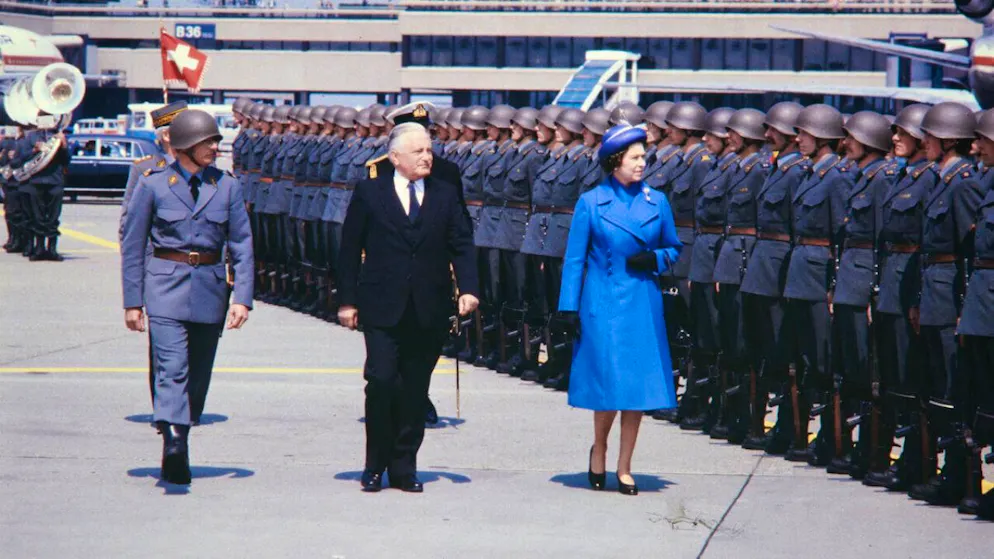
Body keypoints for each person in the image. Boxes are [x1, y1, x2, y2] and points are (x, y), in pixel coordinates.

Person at [337, 123, 479, 493]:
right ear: (395, 157)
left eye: (429, 150)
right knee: (382, 381)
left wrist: (468, 289)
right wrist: (347, 301)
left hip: (428, 307)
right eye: (418, 151)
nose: (427, 157)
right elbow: (350, 248)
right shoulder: (370, 192)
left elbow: (462, 243)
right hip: (382, 306)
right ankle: (374, 464)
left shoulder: (445, 194)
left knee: (415, 389)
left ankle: (403, 468)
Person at [120, 109, 254, 485]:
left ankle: (181, 425)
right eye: (207, 142)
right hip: (164, 287)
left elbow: (242, 244)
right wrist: (133, 302)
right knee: (171, 367)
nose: (215, 147)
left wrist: (242, 298)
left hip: (211, 289)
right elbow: (133, 246)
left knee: (198, 373)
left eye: (215, 141)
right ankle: (175, 443)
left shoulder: (227, 186)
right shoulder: (153, 185)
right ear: (185, 146)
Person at [558, 124, 682, 496]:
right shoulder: (591, 202)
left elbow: (674, 246)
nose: (643, 163)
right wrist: (568, 307)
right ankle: (600, 448)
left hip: (642, 301)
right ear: (615, 161)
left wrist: (655, 258)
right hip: (604, 302)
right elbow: (575, 259)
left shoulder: (657, 201)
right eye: (635, 158)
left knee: (636, 388)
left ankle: (625, 466)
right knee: (609, 385)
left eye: (644, 157)